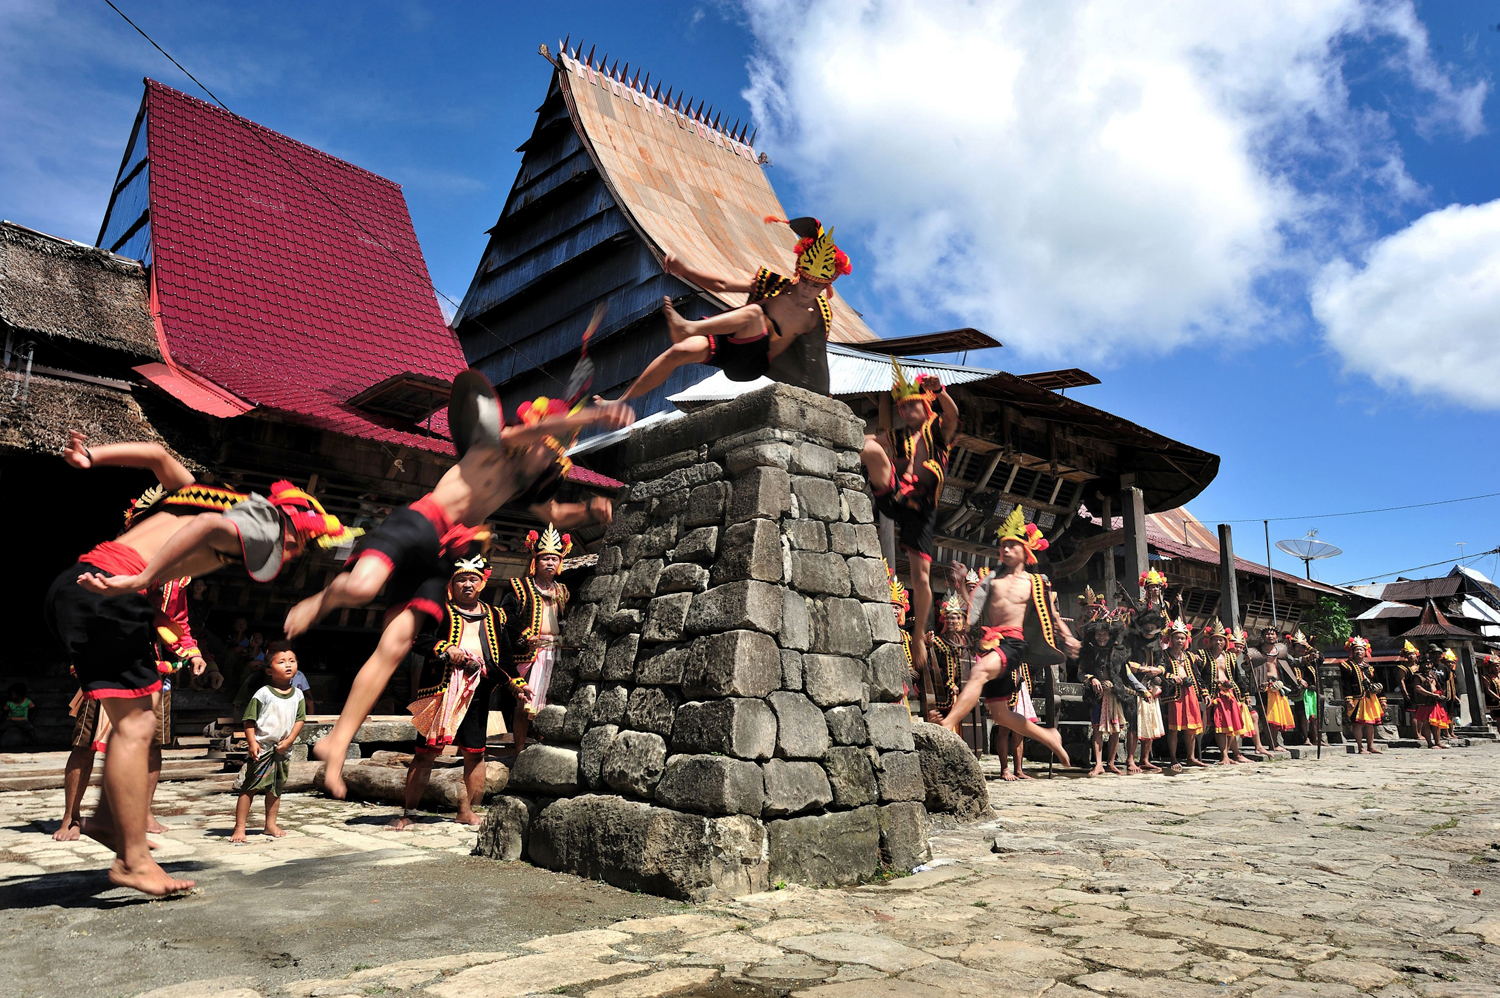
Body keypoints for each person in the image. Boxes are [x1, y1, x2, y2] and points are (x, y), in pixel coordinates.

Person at [287, 385, 631, 798]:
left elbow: (554, 513)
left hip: (442, 556)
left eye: (553, 453)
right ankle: (322, 599)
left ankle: (336, 745)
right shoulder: (491, 448)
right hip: (419, 525)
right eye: (548, 445)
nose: (547, 457)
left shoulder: (521, 486)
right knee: (361, 587)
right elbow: (534, 432)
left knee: (395, 647)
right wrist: (590, 417)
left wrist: (591, 511)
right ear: (536, 434)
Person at [44, 435, 212, 895]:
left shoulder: (188, 506)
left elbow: (158, 454)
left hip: (84, 587)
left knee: (135, 724)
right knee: (136, 728)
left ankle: (107, 822)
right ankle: (131, 859)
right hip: (105, 596)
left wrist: (91, 455)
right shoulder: (226, 526)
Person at [600, 217, 851, 402]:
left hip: (750, 365)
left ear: (826, 287)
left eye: (816, 286)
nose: (807, 289)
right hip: (731, 343)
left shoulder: (816, 317)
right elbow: (721, 284)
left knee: (754, 314)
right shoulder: (774, 284)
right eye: (805, 281)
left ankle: (689, 327)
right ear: (799, 273)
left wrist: (821, 393)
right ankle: (620, 401)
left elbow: (815, 358)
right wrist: (684, 269)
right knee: (679, 351)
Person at [938, 507, 1077, 768]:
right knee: (999, 714)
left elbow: (1052, 616)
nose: (1006, 550)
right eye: (1003, 545)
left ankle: (947, 724)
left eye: (1013, 545)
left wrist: (1068, 638)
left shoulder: (1035, 583)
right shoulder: (991, 579)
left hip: (1014, 643)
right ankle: (1049, 735)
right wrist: (959, 583)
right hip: (992, 642)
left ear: (1026, 550)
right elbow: (975, 610)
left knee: (979, 671)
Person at [393, 555, 512, 830]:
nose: (467, 584)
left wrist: (516, 684)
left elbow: (504, 658)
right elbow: (418, 639)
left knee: (475, 753)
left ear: (482, 583)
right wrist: (445, 649)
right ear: (452, 583)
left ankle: (466, 810)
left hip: (478, 693)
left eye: (473, 579)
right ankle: (408, 811)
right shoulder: (439, 611)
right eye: (461, 579)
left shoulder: (496, 616)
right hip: (441, 692)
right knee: (425, 754)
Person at [861, 362, 960, 684]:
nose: (905, 411)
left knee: (921, 576)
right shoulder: (898, 436)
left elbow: (954, 416)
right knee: (872, 447)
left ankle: (918, 632)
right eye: (901, 407)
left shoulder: (938, 432)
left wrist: (941, 390)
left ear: (925, 404)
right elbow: (873, 438)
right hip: (895, 499)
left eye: (912, 405)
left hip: (921, 511)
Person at [498, 526, 572, 755]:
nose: (550, 563)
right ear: (535, 561)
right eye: (545, 558)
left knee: (548, 704)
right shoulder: (519, 587)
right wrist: (525, 633)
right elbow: (505, 616)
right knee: (523, 704)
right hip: (529, 653)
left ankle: (540, 750)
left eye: (554, 559)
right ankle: (519, 750)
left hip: (555, 653)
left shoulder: (563, 591)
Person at [230, 643, 306, 842]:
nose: (288, 665)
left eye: (292, 660)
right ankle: (240, 827)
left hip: (282, 750)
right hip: (262, 749)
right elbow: (249, 721)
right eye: (281, 662)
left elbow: (300, 720)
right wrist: (252, 742)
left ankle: (270, 824)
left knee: (275, 788)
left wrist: (290, 740)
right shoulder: (263, 693)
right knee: (250, 787)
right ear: (270, 671)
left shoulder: (298, 694)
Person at [1078, 595, 1128, 777]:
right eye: (1098, 634)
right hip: (1097, 694)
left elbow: (1125, 673)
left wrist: (1137, 689)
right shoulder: (1088, 653)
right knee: (1097, 728)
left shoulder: (1118, 651)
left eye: (1104, 634)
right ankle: (1098, 764)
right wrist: (1092, 678)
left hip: (1114, 694)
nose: (1101, 637)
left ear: (1110, 634)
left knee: (1116, 730)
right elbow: (1080, 672)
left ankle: (1111, 763)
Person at [1160, 618, 1206, 771]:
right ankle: (1173, 758)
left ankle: (1191, 757)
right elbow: (1160, 674)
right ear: (1170, 638)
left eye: (1182, 637)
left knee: (1191, 727)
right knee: (1174, 728)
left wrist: (1204, 692)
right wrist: (1172, 677)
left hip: (1190, 692)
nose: (1180, 640)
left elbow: (1197, 675)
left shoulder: (1189, 656)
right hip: (1174, 694)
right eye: (1177, 637)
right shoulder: (1164, 655)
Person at [1204, 624, 1251, 765]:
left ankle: (1229, 755)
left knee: (1233, 724)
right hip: (1216, 693)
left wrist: (1246, 693)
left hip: (1231, 693)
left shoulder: (1230, 656)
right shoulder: (1203, 655)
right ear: (1210, 641)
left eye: (1221, 640)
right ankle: (1224, 755)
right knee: (1220, 724)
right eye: (1215, 639)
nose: (1218, 642)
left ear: (1226, 641)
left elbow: (1237, 677)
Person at [1247, 625, 1296, 751]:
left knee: (1277, 717)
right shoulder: (1255, 652)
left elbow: (1294, 661)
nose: (1270, 636)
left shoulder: (1282, 650)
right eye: (1267, 634)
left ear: (1276, 636)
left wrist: (1309, 658)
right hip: (1263, 686)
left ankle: (1275, 743)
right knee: (1265, 716)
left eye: (1272, 634)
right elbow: (1246, 667)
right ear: (1263, 637)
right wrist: (1247, 661)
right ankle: (1267, 743)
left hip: (1278, 686)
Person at [924, 592, 968, 724]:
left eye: (955, 618)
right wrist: (950, 684)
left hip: (961, 693)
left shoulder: (964, 644)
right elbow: (933, 667)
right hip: (943, 693)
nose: (951, 621)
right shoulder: (937, 642)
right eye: (948, 618)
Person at [1341, 636, 1384, 754]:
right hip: (1356, 698)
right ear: (1352, 651)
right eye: (1356, 649)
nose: (1359, 651)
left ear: (1366, 651)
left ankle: (1371, 746)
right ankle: (1360, 747)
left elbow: (1378, 682)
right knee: (1358, 723)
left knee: (1370, 723)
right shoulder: (1346, 665)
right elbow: (1346, 684)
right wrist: (1348, 699)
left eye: (1361, 649)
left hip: (1370, 698)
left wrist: (1382, 700)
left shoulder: (1369, 667)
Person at [1285, 630, 1323, 746]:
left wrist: (1309, 647)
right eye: (1298, 647)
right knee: (1303, 715)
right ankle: (1305, 737)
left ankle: (1317, 738)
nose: (1301, 649)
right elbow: (1287, 674)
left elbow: (1321, 658)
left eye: (1303, 647)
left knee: (1314, 716)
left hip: (1312, 691)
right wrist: (1298, 681)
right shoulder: (1289, 660)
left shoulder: (1311, 660)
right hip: (1300, 692)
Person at [1410, 655, 1451, 749]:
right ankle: (1429, 743)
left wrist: (1440, 694)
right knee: (1426, 723)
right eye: (1424, 664)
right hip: (1424, 702)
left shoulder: (1433, 675)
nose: (1426, 666)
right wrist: (1431, 694)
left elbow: (1438, 686)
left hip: (1435, 702)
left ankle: (1438, 742)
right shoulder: (1417, 676)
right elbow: (1418, 688)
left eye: (1428, 664)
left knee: (1436, 723)